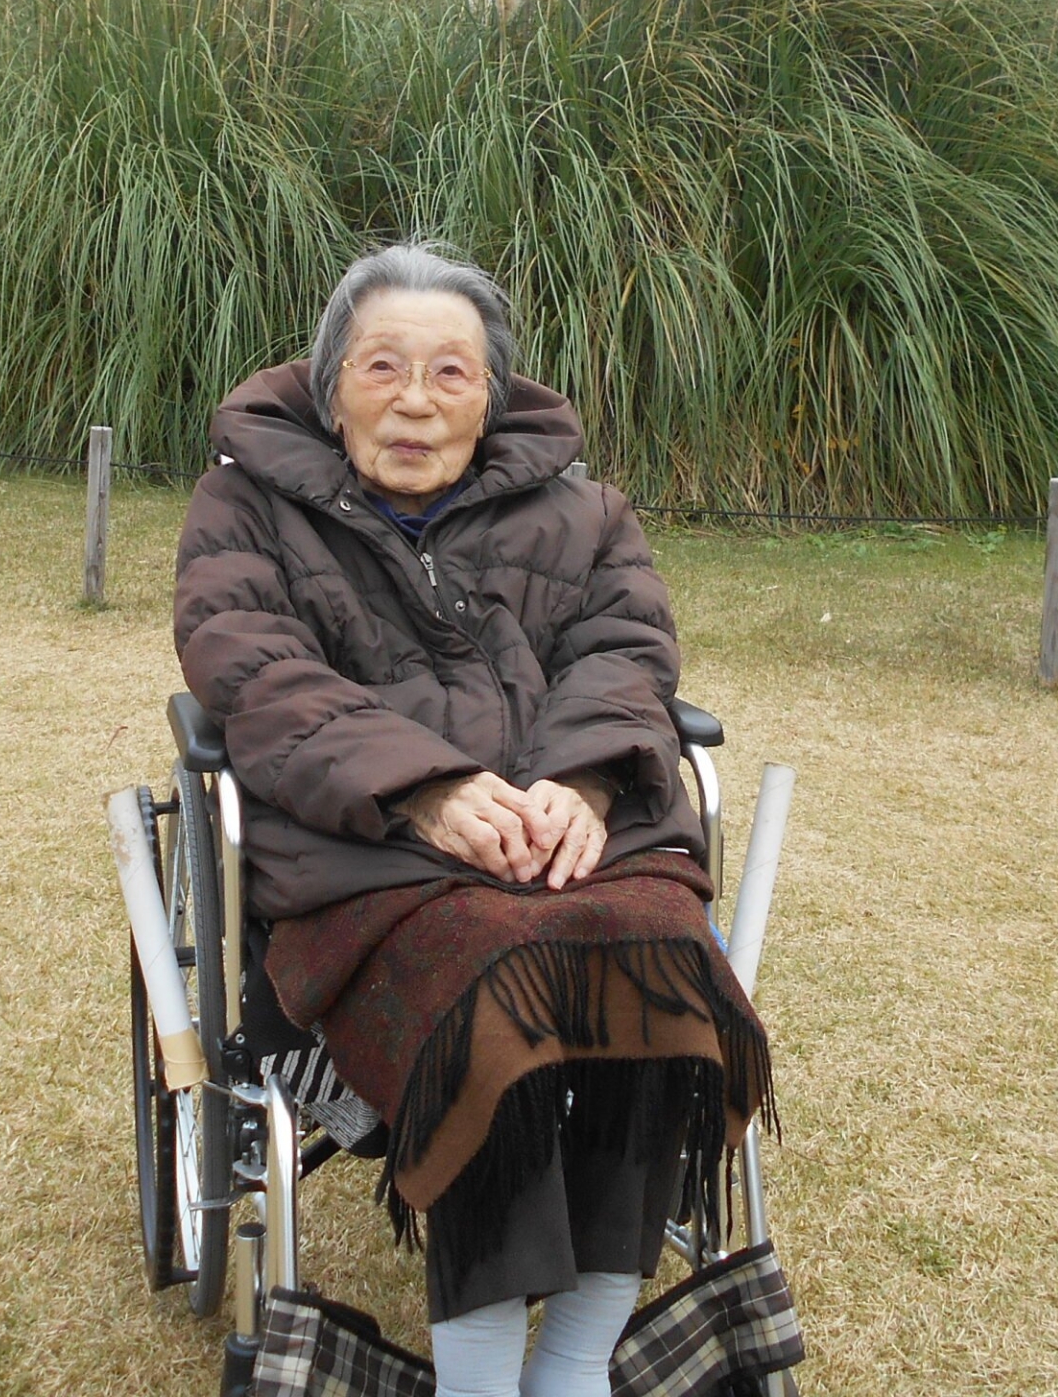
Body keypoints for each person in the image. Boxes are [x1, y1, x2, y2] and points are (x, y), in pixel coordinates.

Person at [175, 243, 772, 1397]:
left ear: (491, 397)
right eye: (382, 366)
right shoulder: (243, 505)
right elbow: (249, 668)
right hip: (368, 852)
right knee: (490, 992)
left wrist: (585, 784)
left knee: (661, 964)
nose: (413, 400)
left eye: (450, 373)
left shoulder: (584, 512)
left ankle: (575, 1361)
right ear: (326, 383)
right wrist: (429, 791)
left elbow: (625, 654)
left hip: (567, 837)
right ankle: (483, 1374)